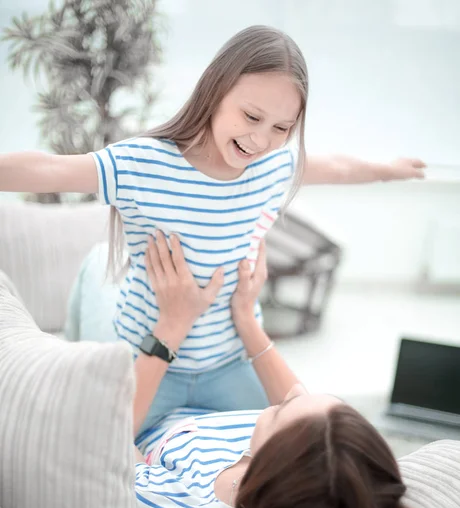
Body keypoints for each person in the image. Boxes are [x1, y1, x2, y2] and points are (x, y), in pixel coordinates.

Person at [0, 25, 426, 435]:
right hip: (148, 358)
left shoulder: (272, 167)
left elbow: (336, 167)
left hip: (230, 361)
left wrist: (388, 170)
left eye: (281, 128)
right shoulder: (143, 164)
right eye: (251, 116)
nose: (261, 140)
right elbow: (49, 168)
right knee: (101, 450)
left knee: (302, 448)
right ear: (215, 91)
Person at [131, 233, 459, 508]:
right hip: (217, 409)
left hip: (145, 413)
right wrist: (247, 319)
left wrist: (171, 326)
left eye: (281, 411)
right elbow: (310, 420)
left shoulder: (186, 500)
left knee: (100, 270)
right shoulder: (325, 462)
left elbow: (109, 438)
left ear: (268, 464)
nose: (293, 391)